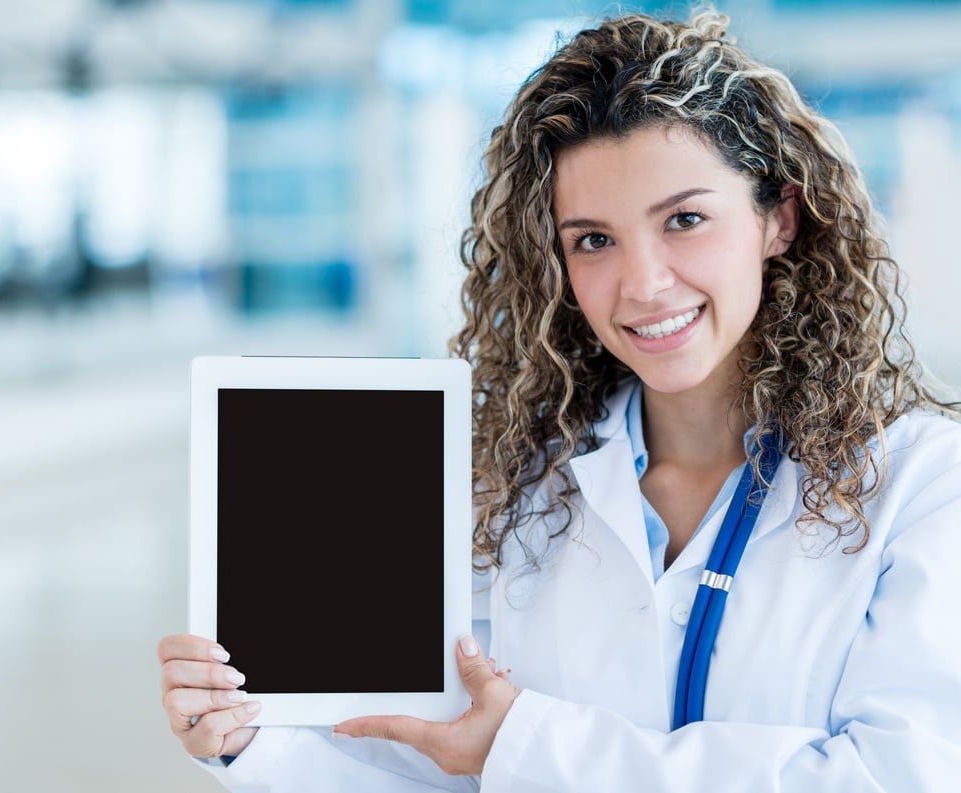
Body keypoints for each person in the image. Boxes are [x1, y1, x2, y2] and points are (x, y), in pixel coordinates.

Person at [158, 5, 961, 791]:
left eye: (684, 219)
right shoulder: (511, 487)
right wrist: (248, 737)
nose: (643, 284)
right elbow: (431, 759)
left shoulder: (921, 484)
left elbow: (903, 773)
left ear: (778, 219)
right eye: (593, 239)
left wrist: (529, 743)